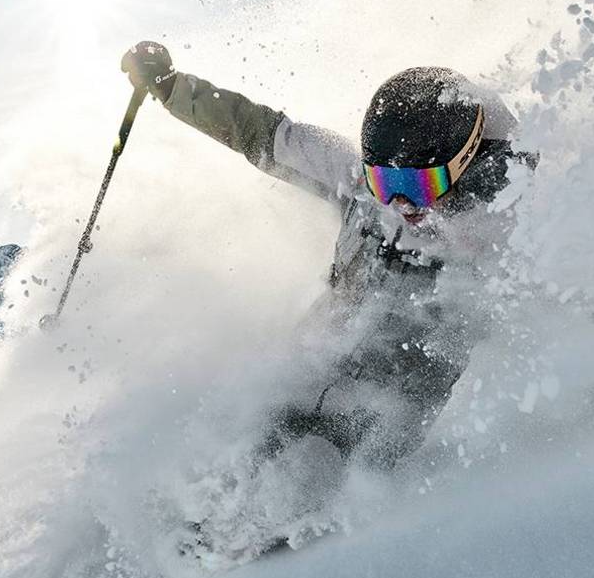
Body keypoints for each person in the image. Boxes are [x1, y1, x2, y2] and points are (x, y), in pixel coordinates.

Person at [120, 41, 534, 528]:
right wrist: (170, 89)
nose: (401, 203)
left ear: (466, 161)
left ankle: (295, 539)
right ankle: (182, 532)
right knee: (253, 436)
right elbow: (257, 129)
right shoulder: (356, 182)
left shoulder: (513, 224)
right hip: (322, 349)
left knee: (325, 462)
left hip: (402, 392)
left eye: (419, 186)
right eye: (385, 184)